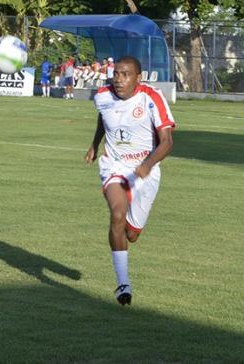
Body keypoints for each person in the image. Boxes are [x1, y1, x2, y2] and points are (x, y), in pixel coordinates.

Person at [84, 56, 175, 306]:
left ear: (138, 77)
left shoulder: (151, 98)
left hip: (146, 170)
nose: (118, 79)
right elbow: (104, 117)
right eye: (116, 73)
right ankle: (123, 283)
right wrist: (95, 144)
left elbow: (167, 142)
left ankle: (123, 237)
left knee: (132, 234)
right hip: (114, 166)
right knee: (117, 213)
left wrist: (146, 165)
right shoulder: (102, 95)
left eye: (125, 74)